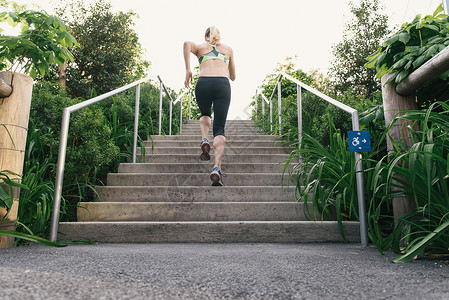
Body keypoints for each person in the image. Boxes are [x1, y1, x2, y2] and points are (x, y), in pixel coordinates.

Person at [183, 26, 236, 186]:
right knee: (219, 128)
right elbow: (233, 76)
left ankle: (204, 138)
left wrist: (188, 70)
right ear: (219, 37)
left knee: (205, 113)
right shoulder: (228, 49)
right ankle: (216, 168)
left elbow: (186, 43)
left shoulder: (200, 47)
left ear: (205, 37)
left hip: (203, 82)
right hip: (222, 84)